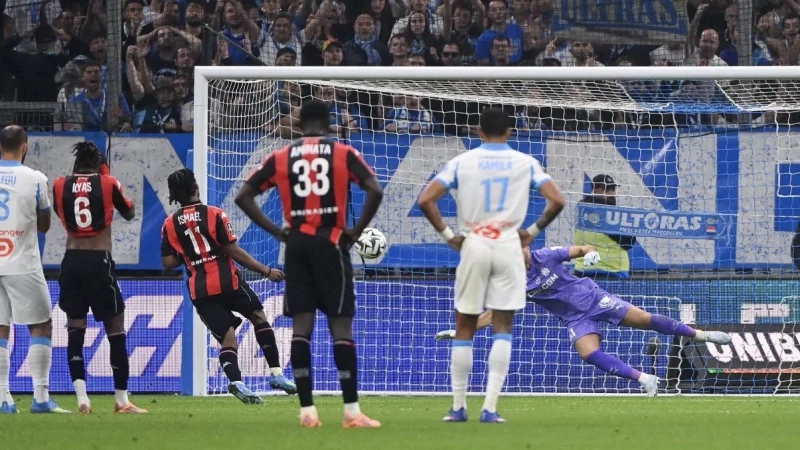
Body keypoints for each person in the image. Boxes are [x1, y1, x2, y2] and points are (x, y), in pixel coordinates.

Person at [235, 100, 384, 428]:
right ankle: (352, 412)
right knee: (340, 326)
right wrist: (355, 232)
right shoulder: (343, 153)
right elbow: (375, 189)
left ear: (300, 125)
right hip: (331, 242)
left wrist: (278, 231)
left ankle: (307, 412)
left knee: (301, 328)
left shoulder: (281, 157)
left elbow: (243, 196)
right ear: (329, 123)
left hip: (297, 246)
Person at [417, 108, 565, 423]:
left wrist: (449, 236)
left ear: (478, 131)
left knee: (465, 324)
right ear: (510, 131)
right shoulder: (526, 162)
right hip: (509, 246)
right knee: (503, 325)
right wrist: (532, 232)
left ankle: (458, 407)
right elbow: (557, 200)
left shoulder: (462, 162)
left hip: (474, 244)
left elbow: (426, 199)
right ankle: (490, 408)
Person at [435, 245, 733, 397]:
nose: (523, 252)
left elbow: (581, 249)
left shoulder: (546, 255)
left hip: (593, 298)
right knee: (587, 352)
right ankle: (645, 379)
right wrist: (465, 331)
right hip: (575, 318)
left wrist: (591, 254)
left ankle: (701, 335)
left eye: (523, 247)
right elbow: (495, 314)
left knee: (644, 318)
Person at [160, 169, 296, 404]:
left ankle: (236, 382)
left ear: (174, 195)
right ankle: (276, 374)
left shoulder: (169, 224)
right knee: (259, 317)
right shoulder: (214, 214)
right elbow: (233, 250)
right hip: (229, 282)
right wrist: (266, 271)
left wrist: (190, 253)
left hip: (201, 291)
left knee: (228, 338)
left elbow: (168, 263)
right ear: (195, 188)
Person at [51, 142, 145, 414]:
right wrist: (106, 177)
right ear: (99, 164)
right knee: (115, 328)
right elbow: (129, 212)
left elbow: (61, 213)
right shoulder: (108, 182)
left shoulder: (59, 184)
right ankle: (121, 400)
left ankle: (82, 399)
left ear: (75, 163)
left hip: (71, 261)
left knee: (75, 328)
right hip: (99, 260)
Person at [0, 126, 69, 414]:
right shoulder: (36, 179)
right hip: (22, 261)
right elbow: (44, 225)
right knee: (41, 325)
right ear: (25, 146)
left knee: (1, 328)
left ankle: (3, 398)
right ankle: (40, 397)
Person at [573, 174, 636, 278]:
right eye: (607, 189)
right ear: (596, 190)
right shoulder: (607, 214)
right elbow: (628, 242)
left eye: (613, 189)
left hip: (582, 269)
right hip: (611, 271)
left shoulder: (582, 209)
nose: (612, 193)